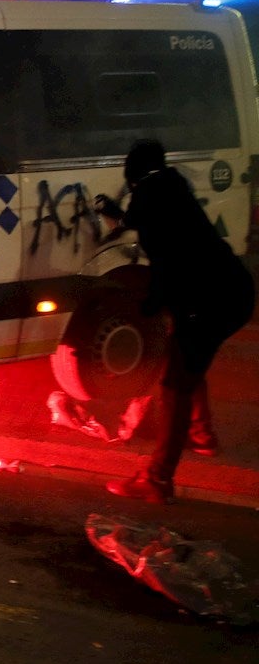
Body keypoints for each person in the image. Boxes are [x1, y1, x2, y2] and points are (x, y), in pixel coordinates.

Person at [98, 139, 255, 503]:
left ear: (133, 176)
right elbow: (135, 220)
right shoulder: (170, 187)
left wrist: (151, 306)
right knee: (186, 363)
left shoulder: (150, 198)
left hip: (210, 301)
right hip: (232, 290)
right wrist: (116, 214)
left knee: (174, 385)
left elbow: (167, 264)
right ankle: (202, 437)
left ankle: (157, 481)